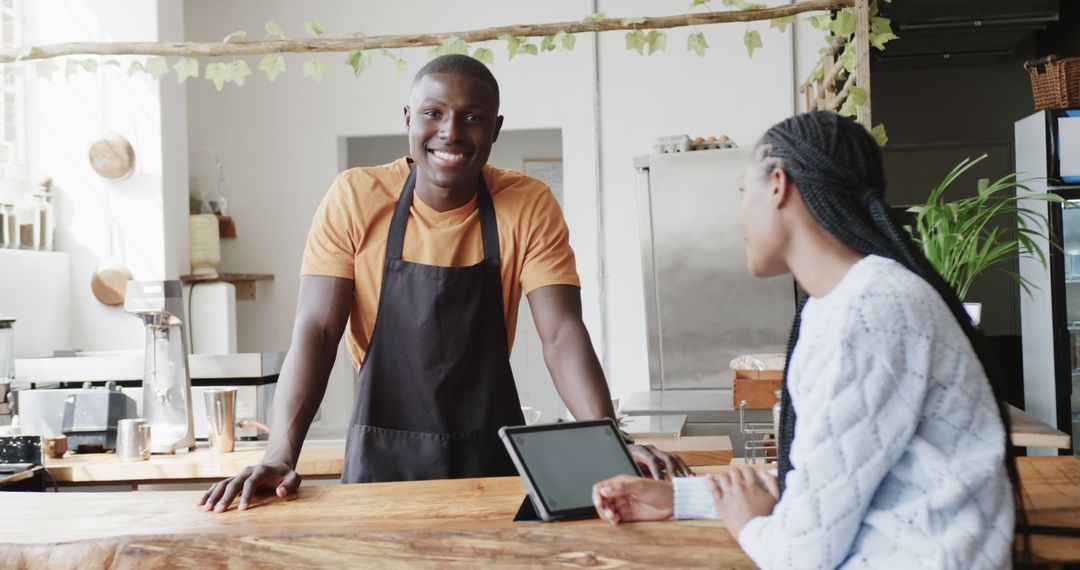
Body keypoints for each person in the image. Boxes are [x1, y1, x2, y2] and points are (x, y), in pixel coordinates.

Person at [200, 54, 689, 513]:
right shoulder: (355, 197)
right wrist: (281, 453)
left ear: (495, 129)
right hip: (381, 459)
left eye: (473, 117)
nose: (450, 133)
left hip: (491, 459)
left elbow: (561, 334)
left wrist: (608, 441)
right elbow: (317, 331)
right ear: (409, 118)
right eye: (433, 113)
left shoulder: (527, 203)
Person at [592, 111, 1021, 569]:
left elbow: (802, 555)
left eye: (742, 191)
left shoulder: (869, 311)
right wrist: (678, 498)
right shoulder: (843, 303)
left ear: (777, 185)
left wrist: (748, 524)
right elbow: (823, 484)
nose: (739, 214)